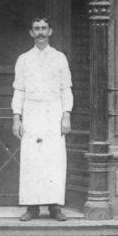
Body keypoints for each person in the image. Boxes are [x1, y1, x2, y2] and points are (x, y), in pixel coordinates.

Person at [11, 16, 73, 222]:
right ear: (31, 33)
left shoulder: (59, 58)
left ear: (50, 31)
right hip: (32, 113)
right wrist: (17, 118)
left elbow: (66, 89)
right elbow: (19, 90)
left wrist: (66, 116)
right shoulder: (24, 59)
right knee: (32, 160)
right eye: (36, 28)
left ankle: (55, 207)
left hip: (53, 113)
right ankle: (32, 207)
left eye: (44, 28)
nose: (40, 32)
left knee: (54, 159)